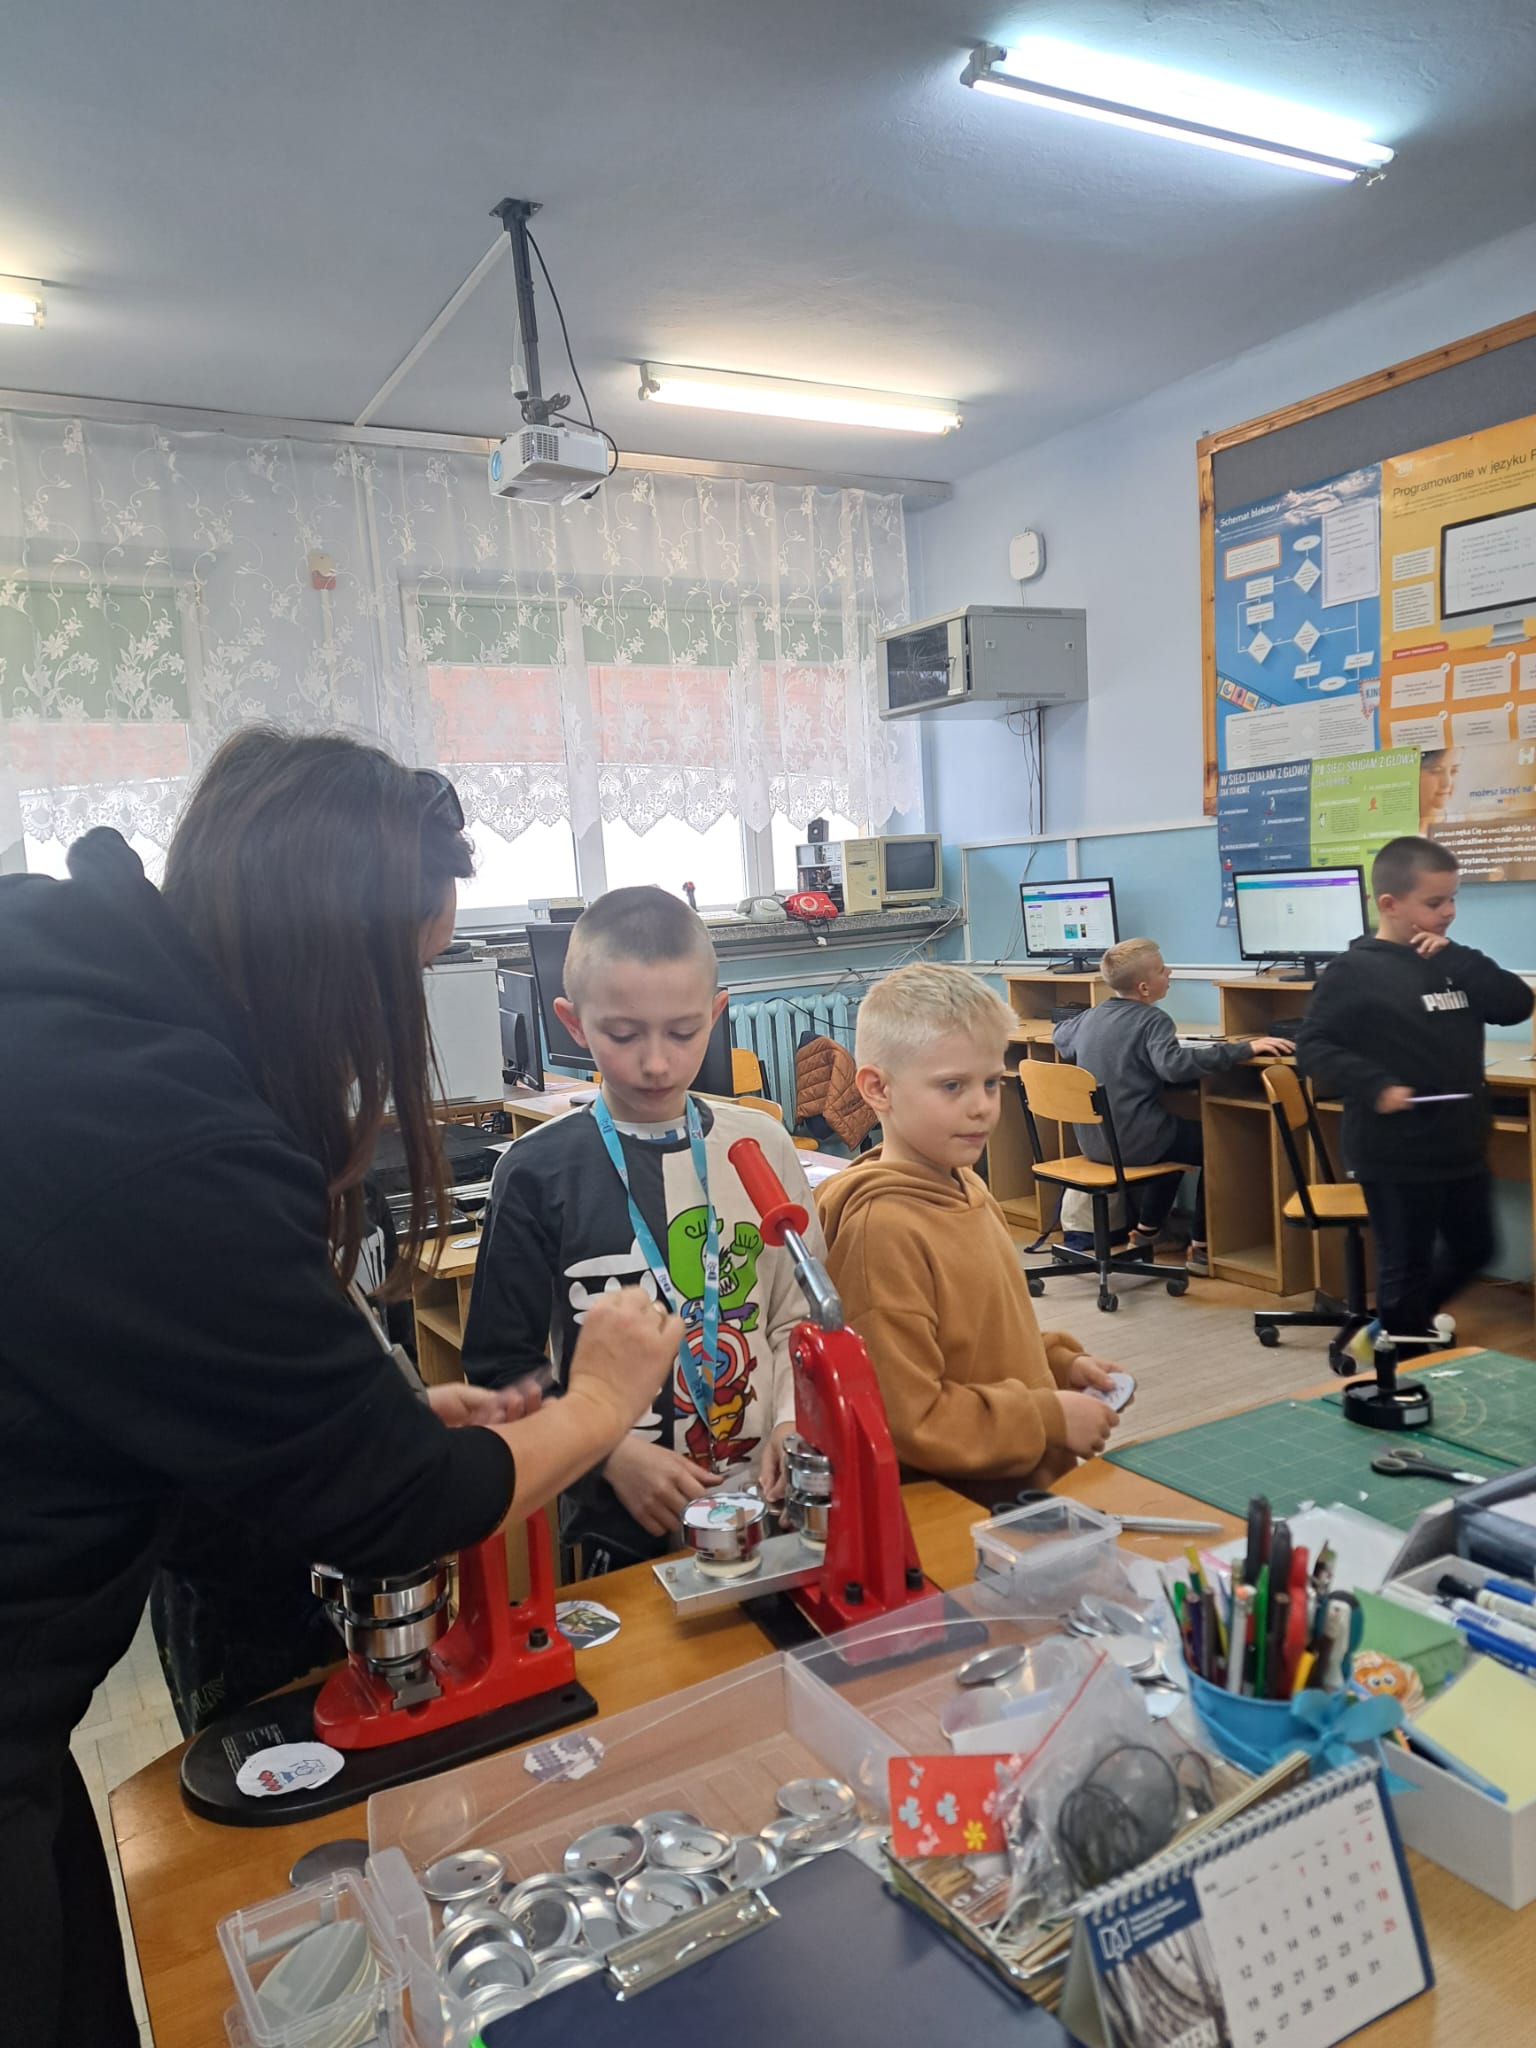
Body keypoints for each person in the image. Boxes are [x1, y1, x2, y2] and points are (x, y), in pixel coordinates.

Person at [0, 728, 680, 2048]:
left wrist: (362, 1423)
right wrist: (600, 1405)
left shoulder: (70, 978)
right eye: (404, 978)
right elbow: (398, 1508)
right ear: (329, 959)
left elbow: (148, 1371)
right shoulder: (160, 1128)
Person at [462, 886, 822, 1574]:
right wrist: (609, 1453)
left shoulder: (762, 1146)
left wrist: (789, 1420)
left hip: (767, 1502)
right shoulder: (535, 1171)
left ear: (715, 1013)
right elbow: (501, 1368)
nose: (656, 1062)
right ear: (573, 1023)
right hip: (615, 1519)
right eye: (624, 1036)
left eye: (683, 1033)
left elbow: (795, 1316)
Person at [816, 963, 1126, 1502]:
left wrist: (1058, 1366)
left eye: (991, 1083)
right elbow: (909, 1418)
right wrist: (1046, 1417)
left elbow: (983, 1337)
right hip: (963, 1511)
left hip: (1019, 1488)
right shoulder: (881, 1231)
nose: (981, 1106)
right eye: (952, 1086)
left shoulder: (967, 1186)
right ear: (878, 1089)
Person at [1297, 835, 1533, 1358]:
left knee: (1476, 1248)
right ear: (1390, 904)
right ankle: (1398, 1364)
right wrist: (1374, 1083)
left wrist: (1463, 960)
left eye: (1453, 899)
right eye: (1434, 902)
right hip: (1395, 1151)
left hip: (1460, 1142)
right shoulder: (1354, 972)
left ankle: (1392, 1329)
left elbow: (1516, 1005)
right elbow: (1313, 1046)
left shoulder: (1453, 960)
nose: (1449, 912)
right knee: (1406, 1267)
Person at [1052, 939, 1294, 1276]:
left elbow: (1059, 1037)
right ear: (1144, 987)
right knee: (1218, 1143)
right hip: (1136, 1143)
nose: (1170, 972)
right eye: (1162, 969)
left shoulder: (1090, 1017)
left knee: (1174, 1138)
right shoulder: (1154, 1020)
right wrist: (1245, 1048)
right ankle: (1202, 1247)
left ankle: (1147, 1233)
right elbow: (1174, 1068)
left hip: (1096, 1144)